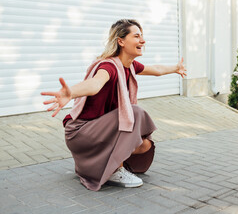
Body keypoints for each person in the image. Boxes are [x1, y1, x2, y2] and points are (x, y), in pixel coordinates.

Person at [41, 19, 186, 191]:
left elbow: (156, 69)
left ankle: (95, 164)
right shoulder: (108, 66)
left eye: (142, 36)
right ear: (121, 41)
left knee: (144, 146)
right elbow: (95, 84)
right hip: (81, 131)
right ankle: (115, 170)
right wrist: (71, 92)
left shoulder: (130, 66)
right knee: (134, 112)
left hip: (99, 130)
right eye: (137, 36)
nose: (143, 41)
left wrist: (175, 68)